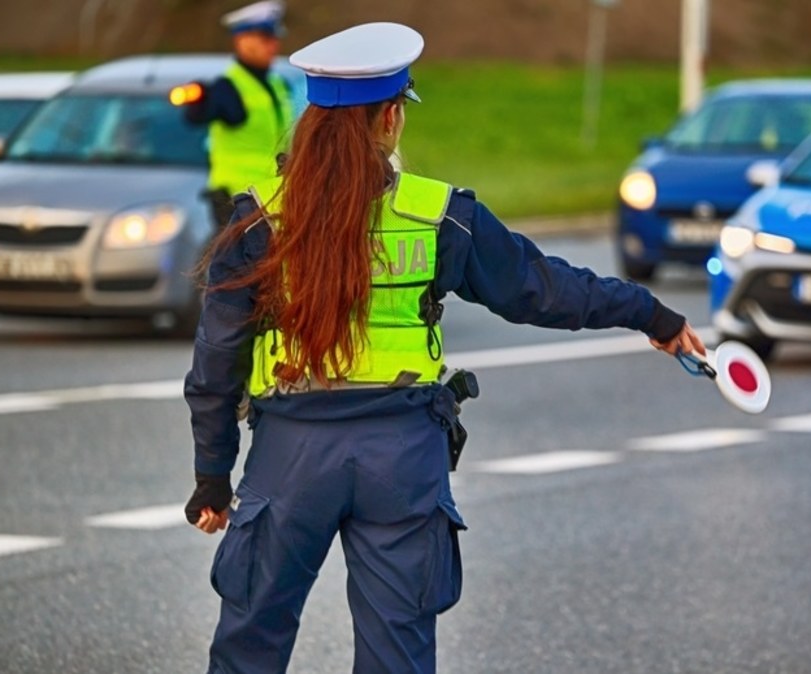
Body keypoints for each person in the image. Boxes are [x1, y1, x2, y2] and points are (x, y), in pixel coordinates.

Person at [182, 22, 708, 674]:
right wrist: (650, 314)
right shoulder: (440, 215)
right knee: (397, 654)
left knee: (249, 646)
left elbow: (216, 359)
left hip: (292, 451)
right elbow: (542, 291)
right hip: (402, 457)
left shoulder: (261, 218)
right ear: (392, 119)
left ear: (312, 122)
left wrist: (213, 476)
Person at [182, 0, 299, 228]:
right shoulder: (227, 87)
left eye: (274, 39)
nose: (273, 46)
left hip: (272, 194)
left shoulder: (277, 84)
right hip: (235, 201)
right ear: (241, 40)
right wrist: (202, 99)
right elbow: (195, 117)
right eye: (265, 39)